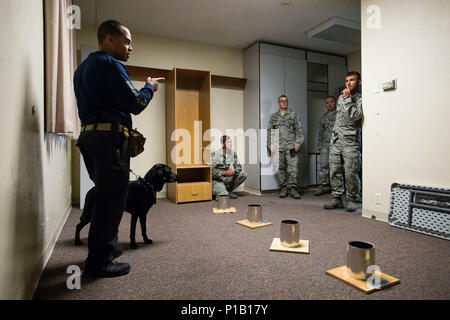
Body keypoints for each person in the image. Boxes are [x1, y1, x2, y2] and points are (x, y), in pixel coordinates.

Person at [74, 20, 163, 277]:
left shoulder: (82, 69)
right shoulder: (110, 65)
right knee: (111, 200)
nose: (130, 47)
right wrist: (149, 87)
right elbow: (135, 103)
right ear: (109, 39)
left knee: (105, 195)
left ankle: (108, 249)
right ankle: (99, 262)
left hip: (89, 139)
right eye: (127, 41)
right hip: (109, 142)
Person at [324, 71, 362, 212]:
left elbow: (354, 117)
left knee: (350, 172)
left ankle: (352, 198)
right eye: (347, 80)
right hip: (336, 139)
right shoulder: (341, 97)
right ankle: (337, 198)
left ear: (359, 82)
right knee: (334, 170)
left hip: (350, 141)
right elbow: (339, 118)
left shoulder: (360, 99)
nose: (348, 83)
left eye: (352, 80)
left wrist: (347, 99)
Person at [267, 95, 304, 199]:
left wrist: (298, 143)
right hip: (277, 147)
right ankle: (283, 188)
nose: (284, 103)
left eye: (285, 101)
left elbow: (299, 130)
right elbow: (270, 132)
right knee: (278, 168)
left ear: (287, 102)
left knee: (293, 169)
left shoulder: (293, 115)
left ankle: (293, 189)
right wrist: (269, 145)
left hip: (291, 147)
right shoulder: (274, 117)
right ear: (278, 103)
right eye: (281, 101)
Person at [314, 96, 337, 196]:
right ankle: (322, 187)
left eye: (331, 102)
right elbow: (321, 133)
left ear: (335, 103)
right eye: (327, 103)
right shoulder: (323, 117)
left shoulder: (340, 115)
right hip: (325, 145)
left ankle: (336, 188)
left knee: (336, 167)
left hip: (338, 145)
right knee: (323, 166)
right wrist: (319, 146)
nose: (329, 104)